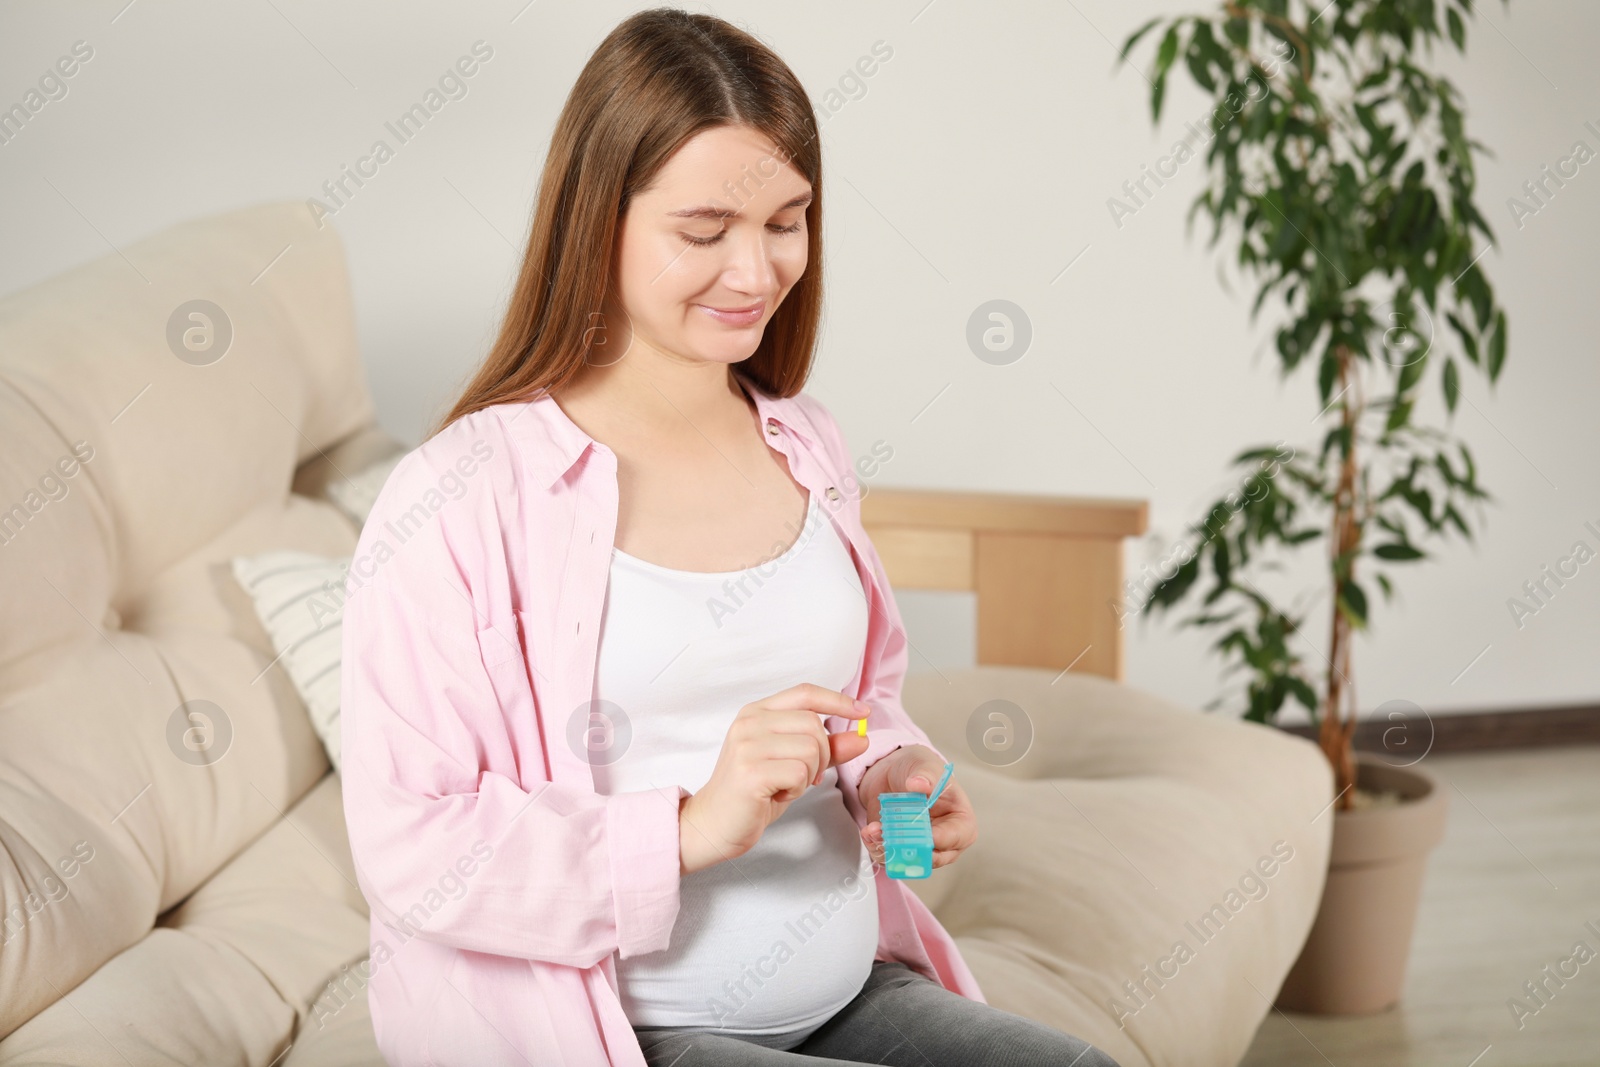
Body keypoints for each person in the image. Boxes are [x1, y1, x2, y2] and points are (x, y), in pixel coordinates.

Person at [339, 8, 1119, 1065]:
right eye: (704, 232)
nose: (754, 273)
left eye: (786, 222)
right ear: (595, 220)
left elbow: (862, 701)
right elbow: (411, 842)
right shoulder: (460, 495)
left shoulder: (804, 441)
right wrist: (689, 825)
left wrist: (891, 770)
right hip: (623, 1025)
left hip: (847, 988)